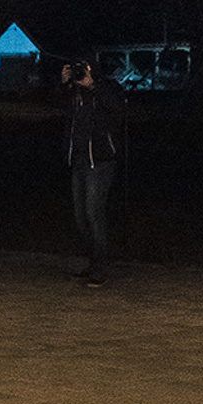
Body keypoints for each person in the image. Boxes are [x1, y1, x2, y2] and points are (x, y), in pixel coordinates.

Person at [61, 58, 126, 286]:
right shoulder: (74, 93)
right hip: (78, 160)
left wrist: (93, 86)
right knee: (80, 216)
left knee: (94, 213)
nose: (81, 74)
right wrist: (66, 83)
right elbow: (60, 113)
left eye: (84, 69)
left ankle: (101, 265)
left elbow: (118, 108)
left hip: (100, 161)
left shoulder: (106, 89)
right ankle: (93, 261)